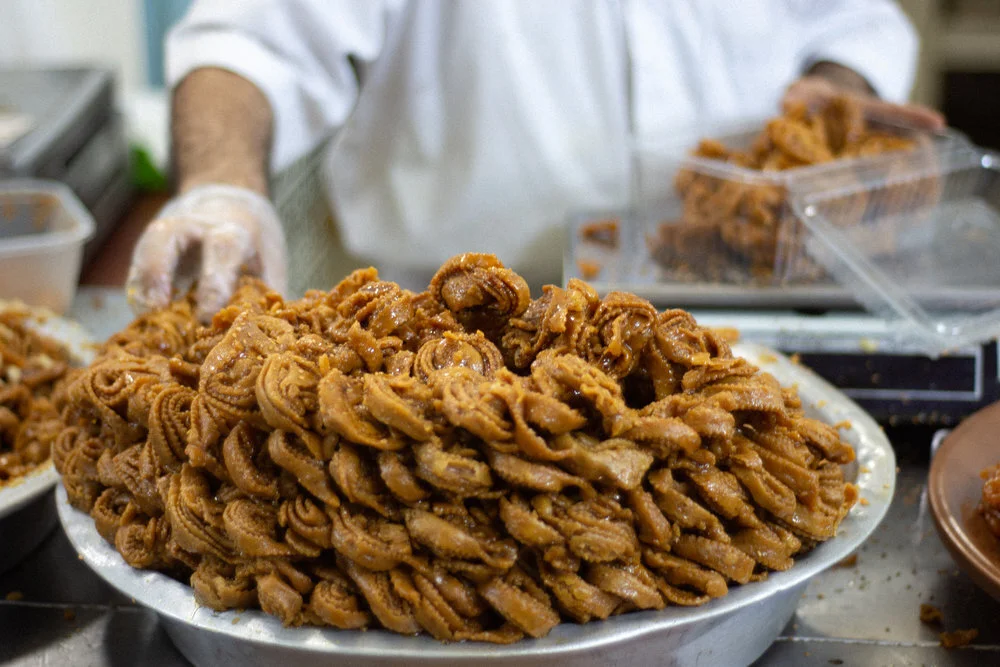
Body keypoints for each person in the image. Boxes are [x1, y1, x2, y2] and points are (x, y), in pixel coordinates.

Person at [126, 0, 943, 321]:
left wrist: (838, 93)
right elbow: (246, 43)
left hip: (748, 305)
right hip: (435, 330)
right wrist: (222, 185)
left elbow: (851, 22)